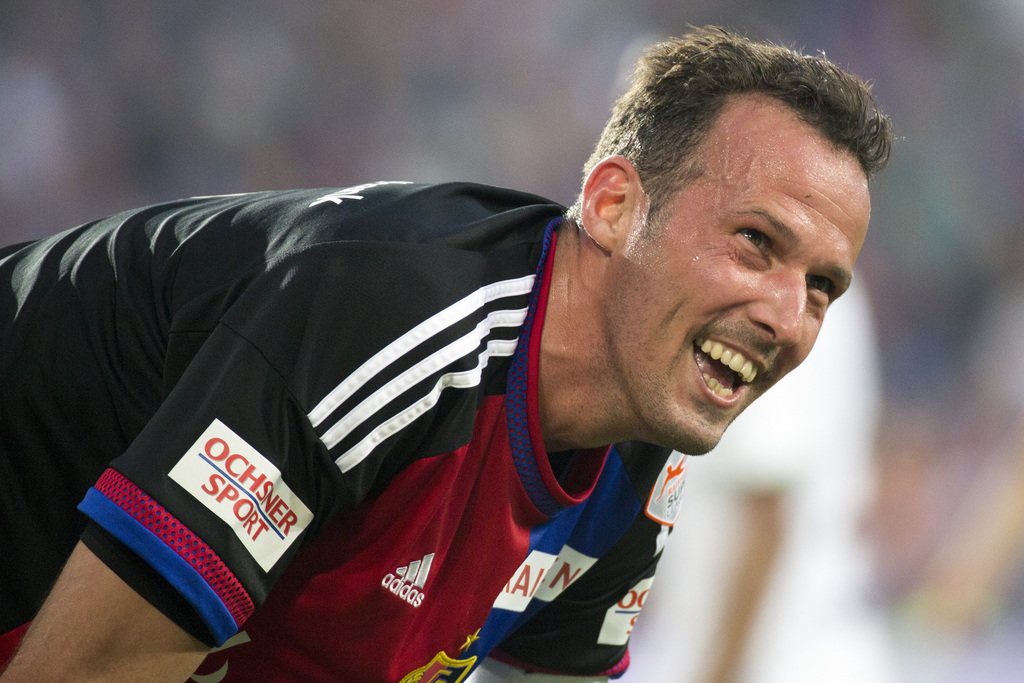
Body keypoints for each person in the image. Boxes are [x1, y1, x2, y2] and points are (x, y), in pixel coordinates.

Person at [0, 26, 890, 682]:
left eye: (823, 286)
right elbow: (79, 671)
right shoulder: (392, 319)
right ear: (614, 206)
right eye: (756, 242)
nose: (789, 317)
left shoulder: (634, 456)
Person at [625, 279, 898, 683]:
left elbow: (768, 509)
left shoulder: (780, 295)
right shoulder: (832, 288)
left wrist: (718, 675)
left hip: (776, 657)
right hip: (810, 640)